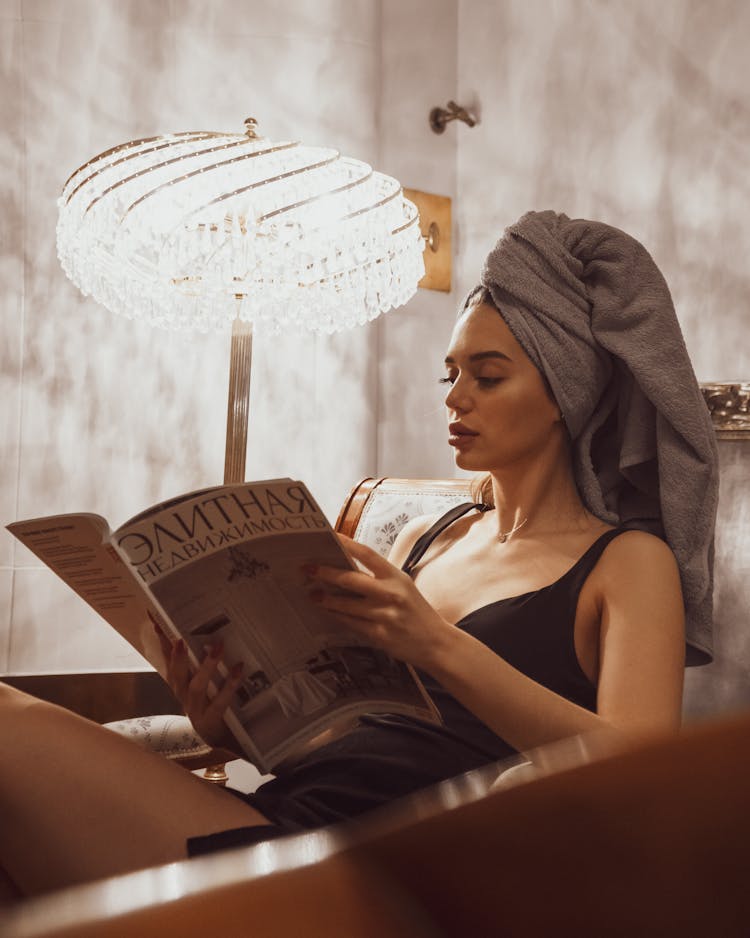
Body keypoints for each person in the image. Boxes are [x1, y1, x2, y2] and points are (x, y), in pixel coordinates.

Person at [0, 210, 717, 897]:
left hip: (374, 870)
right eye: (450, 375)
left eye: (488, 376)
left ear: (566, 391)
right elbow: (348, 743)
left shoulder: (627, 562)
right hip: (284, 816)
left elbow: (643, 781)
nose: (455, 398)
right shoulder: (423, 541)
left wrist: (438, 647)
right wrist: (232, 727)